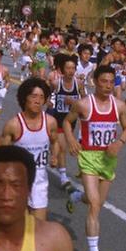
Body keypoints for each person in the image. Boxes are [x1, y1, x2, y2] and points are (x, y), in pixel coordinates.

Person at [63, 65, 126, 251]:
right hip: (89, 157)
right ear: (95, 82)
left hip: (108, 159)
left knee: (97, 202)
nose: (108, 86)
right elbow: (67, 122)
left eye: (111, 82)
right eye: (104, 81)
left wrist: (119, 142)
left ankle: (76, 197)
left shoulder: (119, 106)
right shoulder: (84, 104)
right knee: (94, 205)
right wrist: (72, 140)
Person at [0, 78, 59, 220]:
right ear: (24, 98)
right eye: (33, 96)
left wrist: (54, 156)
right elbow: (1, 154)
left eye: (41, 97)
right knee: (19, 227)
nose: (38, 101)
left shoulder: (50, 122)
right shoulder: (13, 125)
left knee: (38, 227)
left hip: (39, 180)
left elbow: (55, 142)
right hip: (18, 181)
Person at [47, 54, 85, 189]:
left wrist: (74, 102)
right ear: (62, 69)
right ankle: (63, 176)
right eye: (67, 68)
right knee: (62, 146)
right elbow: (47, 92)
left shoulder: (79, 83)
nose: (70, 71)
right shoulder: (56, 83)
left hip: (71, 120)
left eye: (73, 68)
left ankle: (53, 152)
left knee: (60, 145)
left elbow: (84, 100)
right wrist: (48, 103)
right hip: (57, 118)